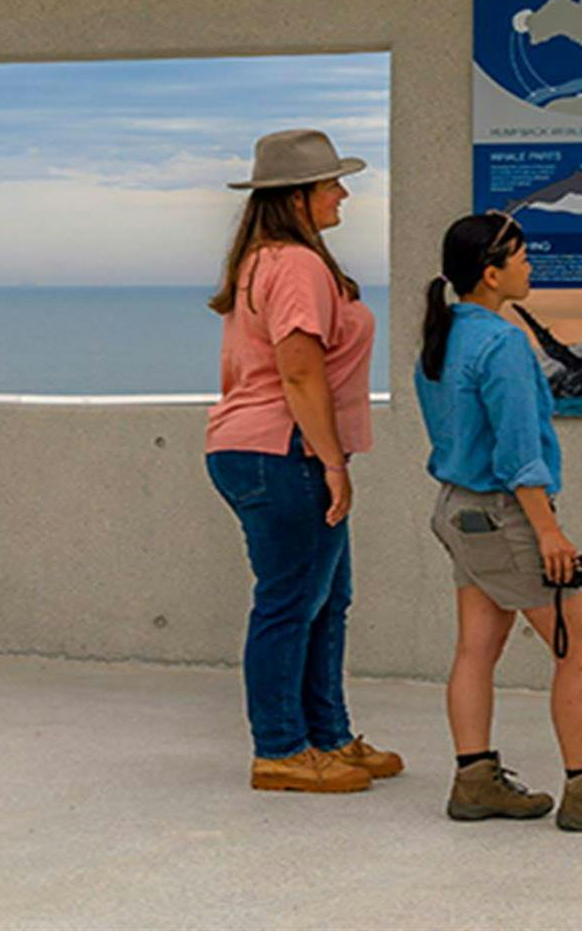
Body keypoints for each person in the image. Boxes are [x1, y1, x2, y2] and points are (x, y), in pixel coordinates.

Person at [414, 212, 582, 833]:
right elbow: (518, 453)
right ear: (492, 273)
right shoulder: (500, 344)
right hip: (504, 514)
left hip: (457, 509)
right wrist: (548, 530)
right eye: (521, 256)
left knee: (477, 646)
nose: (531, 265)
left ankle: (475, 780)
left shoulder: (444, 337)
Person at [204, 128, 402, 794]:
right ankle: (282, 749)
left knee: (325, 599)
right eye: (331, 184)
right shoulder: (294, 265)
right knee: (291, 602)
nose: (343, 192)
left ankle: (329, 735)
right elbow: (298, 371)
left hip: (262, 448)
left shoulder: (266, 260)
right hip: (282, 450)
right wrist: (333, 465)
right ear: (297, 198)